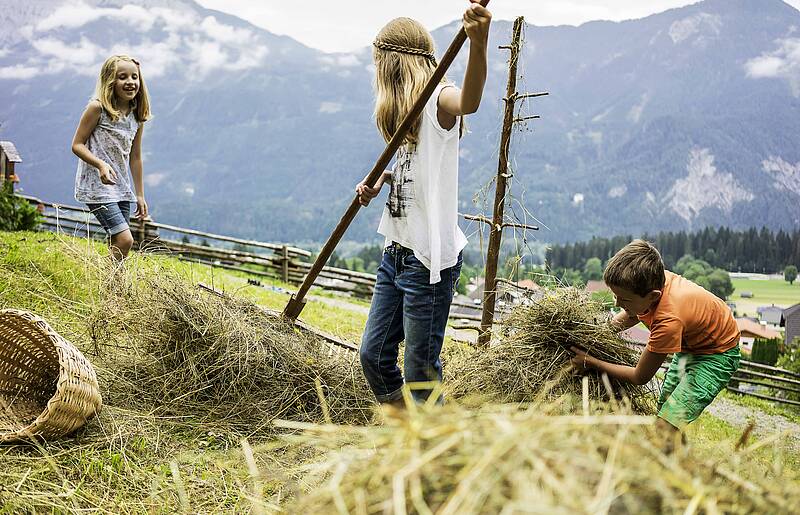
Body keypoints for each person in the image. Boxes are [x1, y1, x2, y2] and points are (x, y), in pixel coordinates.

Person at [355, 1, 492, 406]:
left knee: (420, 375)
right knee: (373, 356)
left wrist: (478, 43)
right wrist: (381, 180)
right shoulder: (405, 114)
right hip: (395, 251)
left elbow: (468, 101)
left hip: (429, 262)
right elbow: (414, 167)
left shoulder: (437, 101)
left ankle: (441, 454)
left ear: (393, 63)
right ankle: (405, 441)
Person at [570, 240, 741, 441]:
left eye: (623, 299)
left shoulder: (668, 320)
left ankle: (670, 466)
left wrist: (591, 362)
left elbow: (639, 376)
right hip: (691, 346)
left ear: (653, 296)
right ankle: (677, 460)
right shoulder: (650, 281)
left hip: (717, 354)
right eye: (616, 296)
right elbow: (634, 313)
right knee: (666, 412)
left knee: (667, 423)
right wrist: (599, 333)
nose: (617, 303)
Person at [72, 55, 151, 261]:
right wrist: (100, 164)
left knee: (116, 241)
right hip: (97, 186)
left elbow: (135, 157)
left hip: (121, 187)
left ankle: (112, 288)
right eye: (122, 77)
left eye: (135, 77)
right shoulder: (97, 109)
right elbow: (77, 144)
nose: (130, 82)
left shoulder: (137, 117)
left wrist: (140, 195)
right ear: (110, 81)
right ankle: (110, 285)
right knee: (125, 240)